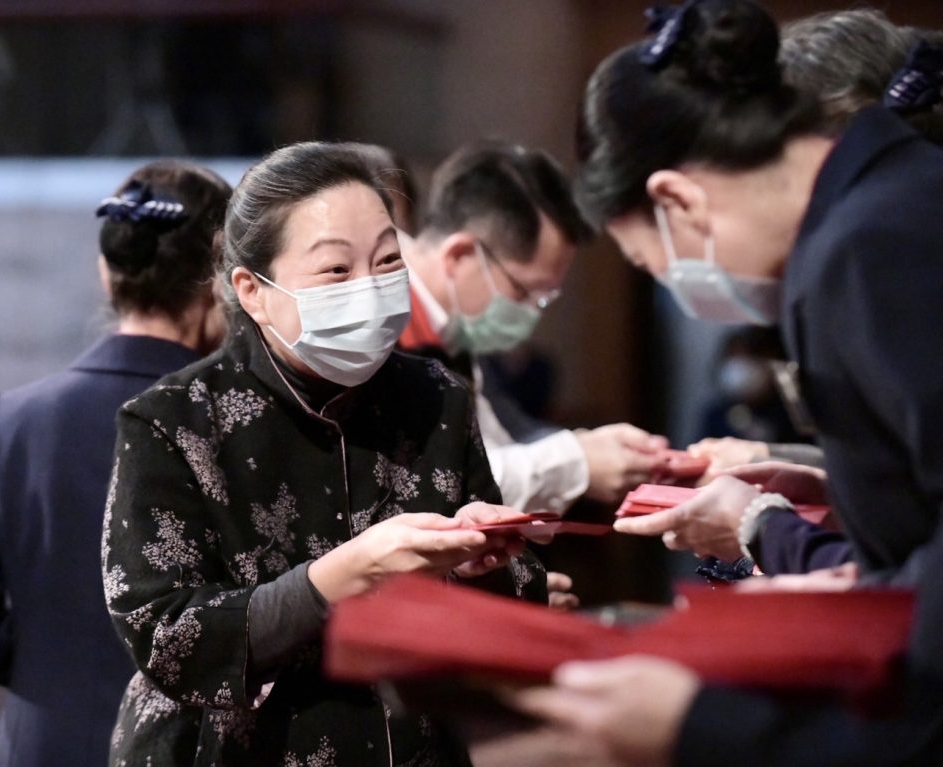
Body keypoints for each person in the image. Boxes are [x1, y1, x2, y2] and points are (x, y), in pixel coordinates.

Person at [508, 1, 943, 763]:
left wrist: (705, 725)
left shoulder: (863, 246)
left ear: (676, 200)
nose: (673, 282)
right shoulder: (892, 196)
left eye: (650, 262)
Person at [102, 142, 545, 766]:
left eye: (387, 262)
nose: (370, 288)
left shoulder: (437, 396)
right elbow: (165, 634)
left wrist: (483, 566)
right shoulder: (173, 420)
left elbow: (521, 599)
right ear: (253, 290)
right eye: (336, 270)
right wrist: (337, 578)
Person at [0, 160, 232, 767]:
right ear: (220, 280)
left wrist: (53, 672)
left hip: (43, 745)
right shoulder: (237, 425)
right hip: (190, 749)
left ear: (106, 271)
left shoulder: (15, 421)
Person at [399, 140, 669, 514]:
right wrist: (574, 464)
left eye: (545, 297)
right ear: (460, 255)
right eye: (525, 291)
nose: (532, 313)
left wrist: (586, 448)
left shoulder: (451, 330)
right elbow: (423, 483)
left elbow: (487, 446)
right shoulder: (381, 325)